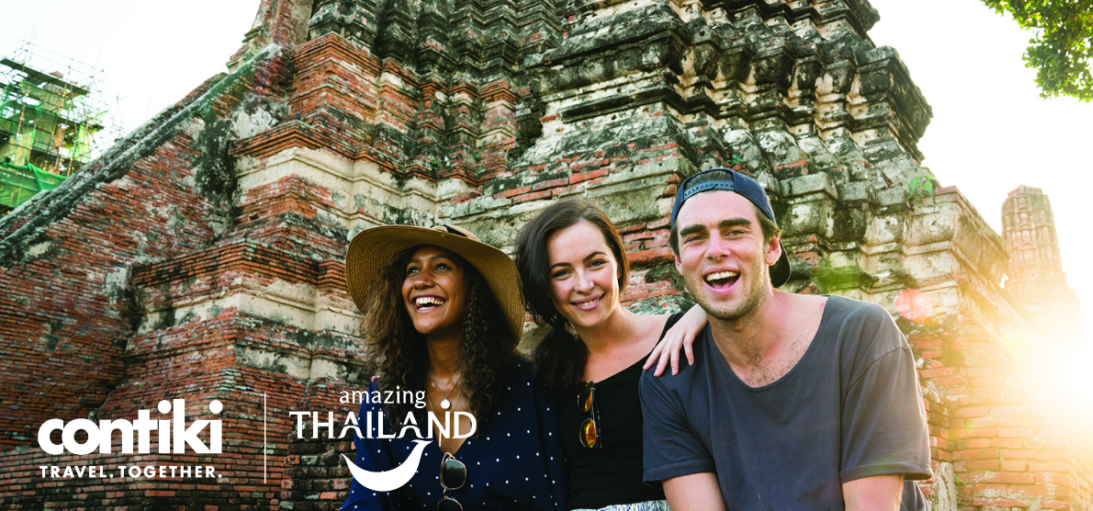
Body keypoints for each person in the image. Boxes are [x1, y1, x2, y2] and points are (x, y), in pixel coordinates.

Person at [639, 168, 933, 511]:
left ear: (772, 247)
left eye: (735, 231)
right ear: (677, 260)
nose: (715, 250)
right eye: (695, 237)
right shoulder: (669, 380)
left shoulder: (861, 335)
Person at [341, 223, 566, 510]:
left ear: (474, 288)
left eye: (441, 267)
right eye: (412, 270)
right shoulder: (382, 399)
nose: (421, 281)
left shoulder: (532, 387)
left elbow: (557, 495)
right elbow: (366, 501)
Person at [515, 199, 707, 511]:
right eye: (562, 272)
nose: (584, 284)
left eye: (595, 263)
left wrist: (707, 313)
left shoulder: (679, 337)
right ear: (545, 286)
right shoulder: (546, 372)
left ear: (618, 262)